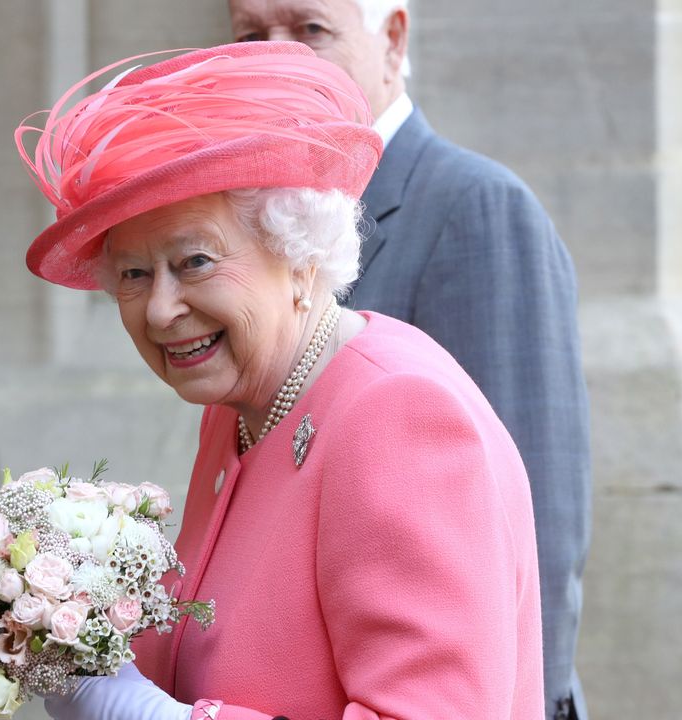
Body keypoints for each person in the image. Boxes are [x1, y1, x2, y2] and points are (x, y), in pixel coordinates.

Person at [17, 42, 542, 719]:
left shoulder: (398, 416)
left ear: (298, 256)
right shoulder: (242, 406)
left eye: (195, 261)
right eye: (133, 274)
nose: (159, 308)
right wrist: (68, 631)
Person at [225, 2, 592, 718]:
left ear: (392, 39)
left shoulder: (474, 206)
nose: (278, 57)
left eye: (310, 29)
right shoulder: (257, 224)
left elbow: (534, 511)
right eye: (250, 35)